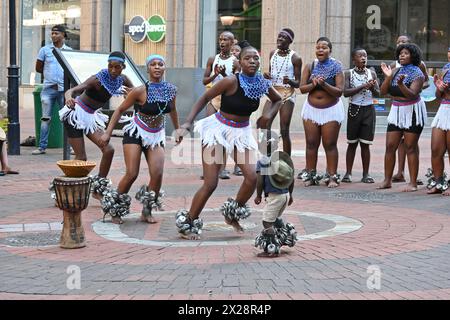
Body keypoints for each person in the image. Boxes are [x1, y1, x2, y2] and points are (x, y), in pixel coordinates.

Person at [175, 45, 282, 240]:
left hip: (241, 133)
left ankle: (231, 213)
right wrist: (187, 123)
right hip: (217, 130)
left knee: (252, 177)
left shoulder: (262, 83)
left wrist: (267, 116)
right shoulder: (230, 81)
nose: (252, 61)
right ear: (239, 63)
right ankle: (189, 221)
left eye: (255, 58)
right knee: (211, 183)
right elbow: (205, 97)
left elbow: (278, 99)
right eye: (247, 58)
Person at [99, 54, 181, 224]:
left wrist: (178, 129)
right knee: (132, 173)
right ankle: (115, 208)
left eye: (160, 64)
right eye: (153, 64)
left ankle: (146, 210)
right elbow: (119, 110)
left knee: (157, 174)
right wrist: (107, 132)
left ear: (164, 67)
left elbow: (173, 110)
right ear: (148, 68)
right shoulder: (139, 91)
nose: (157, 67)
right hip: (136, 132)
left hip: (156, 134)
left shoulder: (171, 90)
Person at [60, 51, 134, 201]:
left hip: (91, 117)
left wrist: (131, 95)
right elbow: (72, 90)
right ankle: (71, 194)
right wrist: (69, 98)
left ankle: (98, 188)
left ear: (123, 67)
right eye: (110, 66)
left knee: (108, 149)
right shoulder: (96, 80)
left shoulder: (123, 79)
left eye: (117, 67)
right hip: (75, 114)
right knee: (81, 157)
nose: (113, 70)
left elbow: (135, 92)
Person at [378, 43, 426, 192]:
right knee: (390, 146)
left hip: (412, 111)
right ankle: (387, 180)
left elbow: (412, 94)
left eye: (405, 53)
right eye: (400, 53)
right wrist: (388, 77)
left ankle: (412, 183)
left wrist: (400, 85)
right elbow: (383, 92)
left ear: (413, 56)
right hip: (396, 110)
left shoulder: (418, 73)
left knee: (410, 147)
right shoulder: (396, 70)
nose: (402, 55)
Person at [299, 37, 345, 188]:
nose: (320, 50)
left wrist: (324, 84)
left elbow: (339, 92)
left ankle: (332, 176)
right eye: (318, 47)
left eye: (324, 47)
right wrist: (313, 84)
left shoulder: (337, 67)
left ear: (330, 51)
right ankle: (311, 175)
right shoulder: (310, 66)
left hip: (331, 110)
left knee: (329, 144)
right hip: (311, 110)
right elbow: (302, 89)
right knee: (311, 143)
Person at [202, 31, 241, 180]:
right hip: (213, 97)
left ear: (232, 43)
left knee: (224, 134)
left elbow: (236, 82)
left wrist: (224, 75)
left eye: (226, 40)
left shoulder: (235, 62)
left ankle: (223, 169)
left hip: (228, 99)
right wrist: (215, 74)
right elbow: (205, 81)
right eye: (220, 39)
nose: (222, 42)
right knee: (209, 133)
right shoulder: (213, 59)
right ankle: (208, 168)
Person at [391, 35, 429, 184]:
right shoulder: (394, 65)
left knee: (411, 142)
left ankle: (415, 176)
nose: (401, 44)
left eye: (404, 42)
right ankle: (399, 172)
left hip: (413, 104)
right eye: (399, 42)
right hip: (397, 108)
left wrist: (416, 87)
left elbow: (426, 81)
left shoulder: (419, 64)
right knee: (398, 141)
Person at [254, 132, 296, 257]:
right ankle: (284, 234)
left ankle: (272, 247)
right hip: (285, 194)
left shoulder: (262, 162)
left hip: (274, 197)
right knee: (275, 218)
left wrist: (258, 195)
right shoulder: (282, 159)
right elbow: (291, 177)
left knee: (267, 222)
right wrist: (291, 194)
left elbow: (260, 180)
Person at [33, 25, 72, 155]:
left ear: (63, 35)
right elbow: (39, 68)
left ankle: (71, 146)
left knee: (67, 118)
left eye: (56, 33)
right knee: (45, 119)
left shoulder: (69, 51)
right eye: (52, 33)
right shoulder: (45, 50)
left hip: (64, 90)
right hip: (48, 89)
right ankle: (42, 147)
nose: (53, 35)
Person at [342, 48, 380, 184]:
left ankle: (366, 174)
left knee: (365, 144)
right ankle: (348, 173)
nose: (363, 58)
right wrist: (363, 86)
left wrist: (371, 88)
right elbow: (345, 92)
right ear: (354, 59)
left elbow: (379, 93)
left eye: (365, 55)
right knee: (352, 144)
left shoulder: (372, 73)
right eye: (360, 56)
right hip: (354, 110)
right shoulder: (348, 73)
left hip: (368, 110)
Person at [263, 28, 302, 156]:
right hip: (273, 92)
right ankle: (267, 157)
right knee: (265, 124)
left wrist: (290, 81)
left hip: (287, 93)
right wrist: (267, 75)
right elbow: (271, 73)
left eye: (283, 37)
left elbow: (298, 83)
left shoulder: (295, 58)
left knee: (284, 129)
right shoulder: (272, 53)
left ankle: (287, 161)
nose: (280, 39)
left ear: (289, 41)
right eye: (279, 36)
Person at [426, 50, 450, 195]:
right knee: (436, 149)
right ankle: (438, 182)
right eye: (448, 51)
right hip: (443, 109)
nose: (449, 54)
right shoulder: (446, 68)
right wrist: (439, 88)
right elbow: (438, 95)